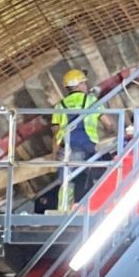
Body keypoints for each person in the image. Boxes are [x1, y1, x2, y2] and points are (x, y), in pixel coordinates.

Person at [52, 68, 101, 209]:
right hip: (85, 149)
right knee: (85, 182)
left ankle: (63, 213)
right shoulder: (91, 101)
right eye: (84, 83)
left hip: (65, 151)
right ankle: (82, 211)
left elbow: (55, 133)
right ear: (78, 85)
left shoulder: (59, 106)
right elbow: (108, 123)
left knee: (66, 185)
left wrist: (54, 154)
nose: (86, 86)